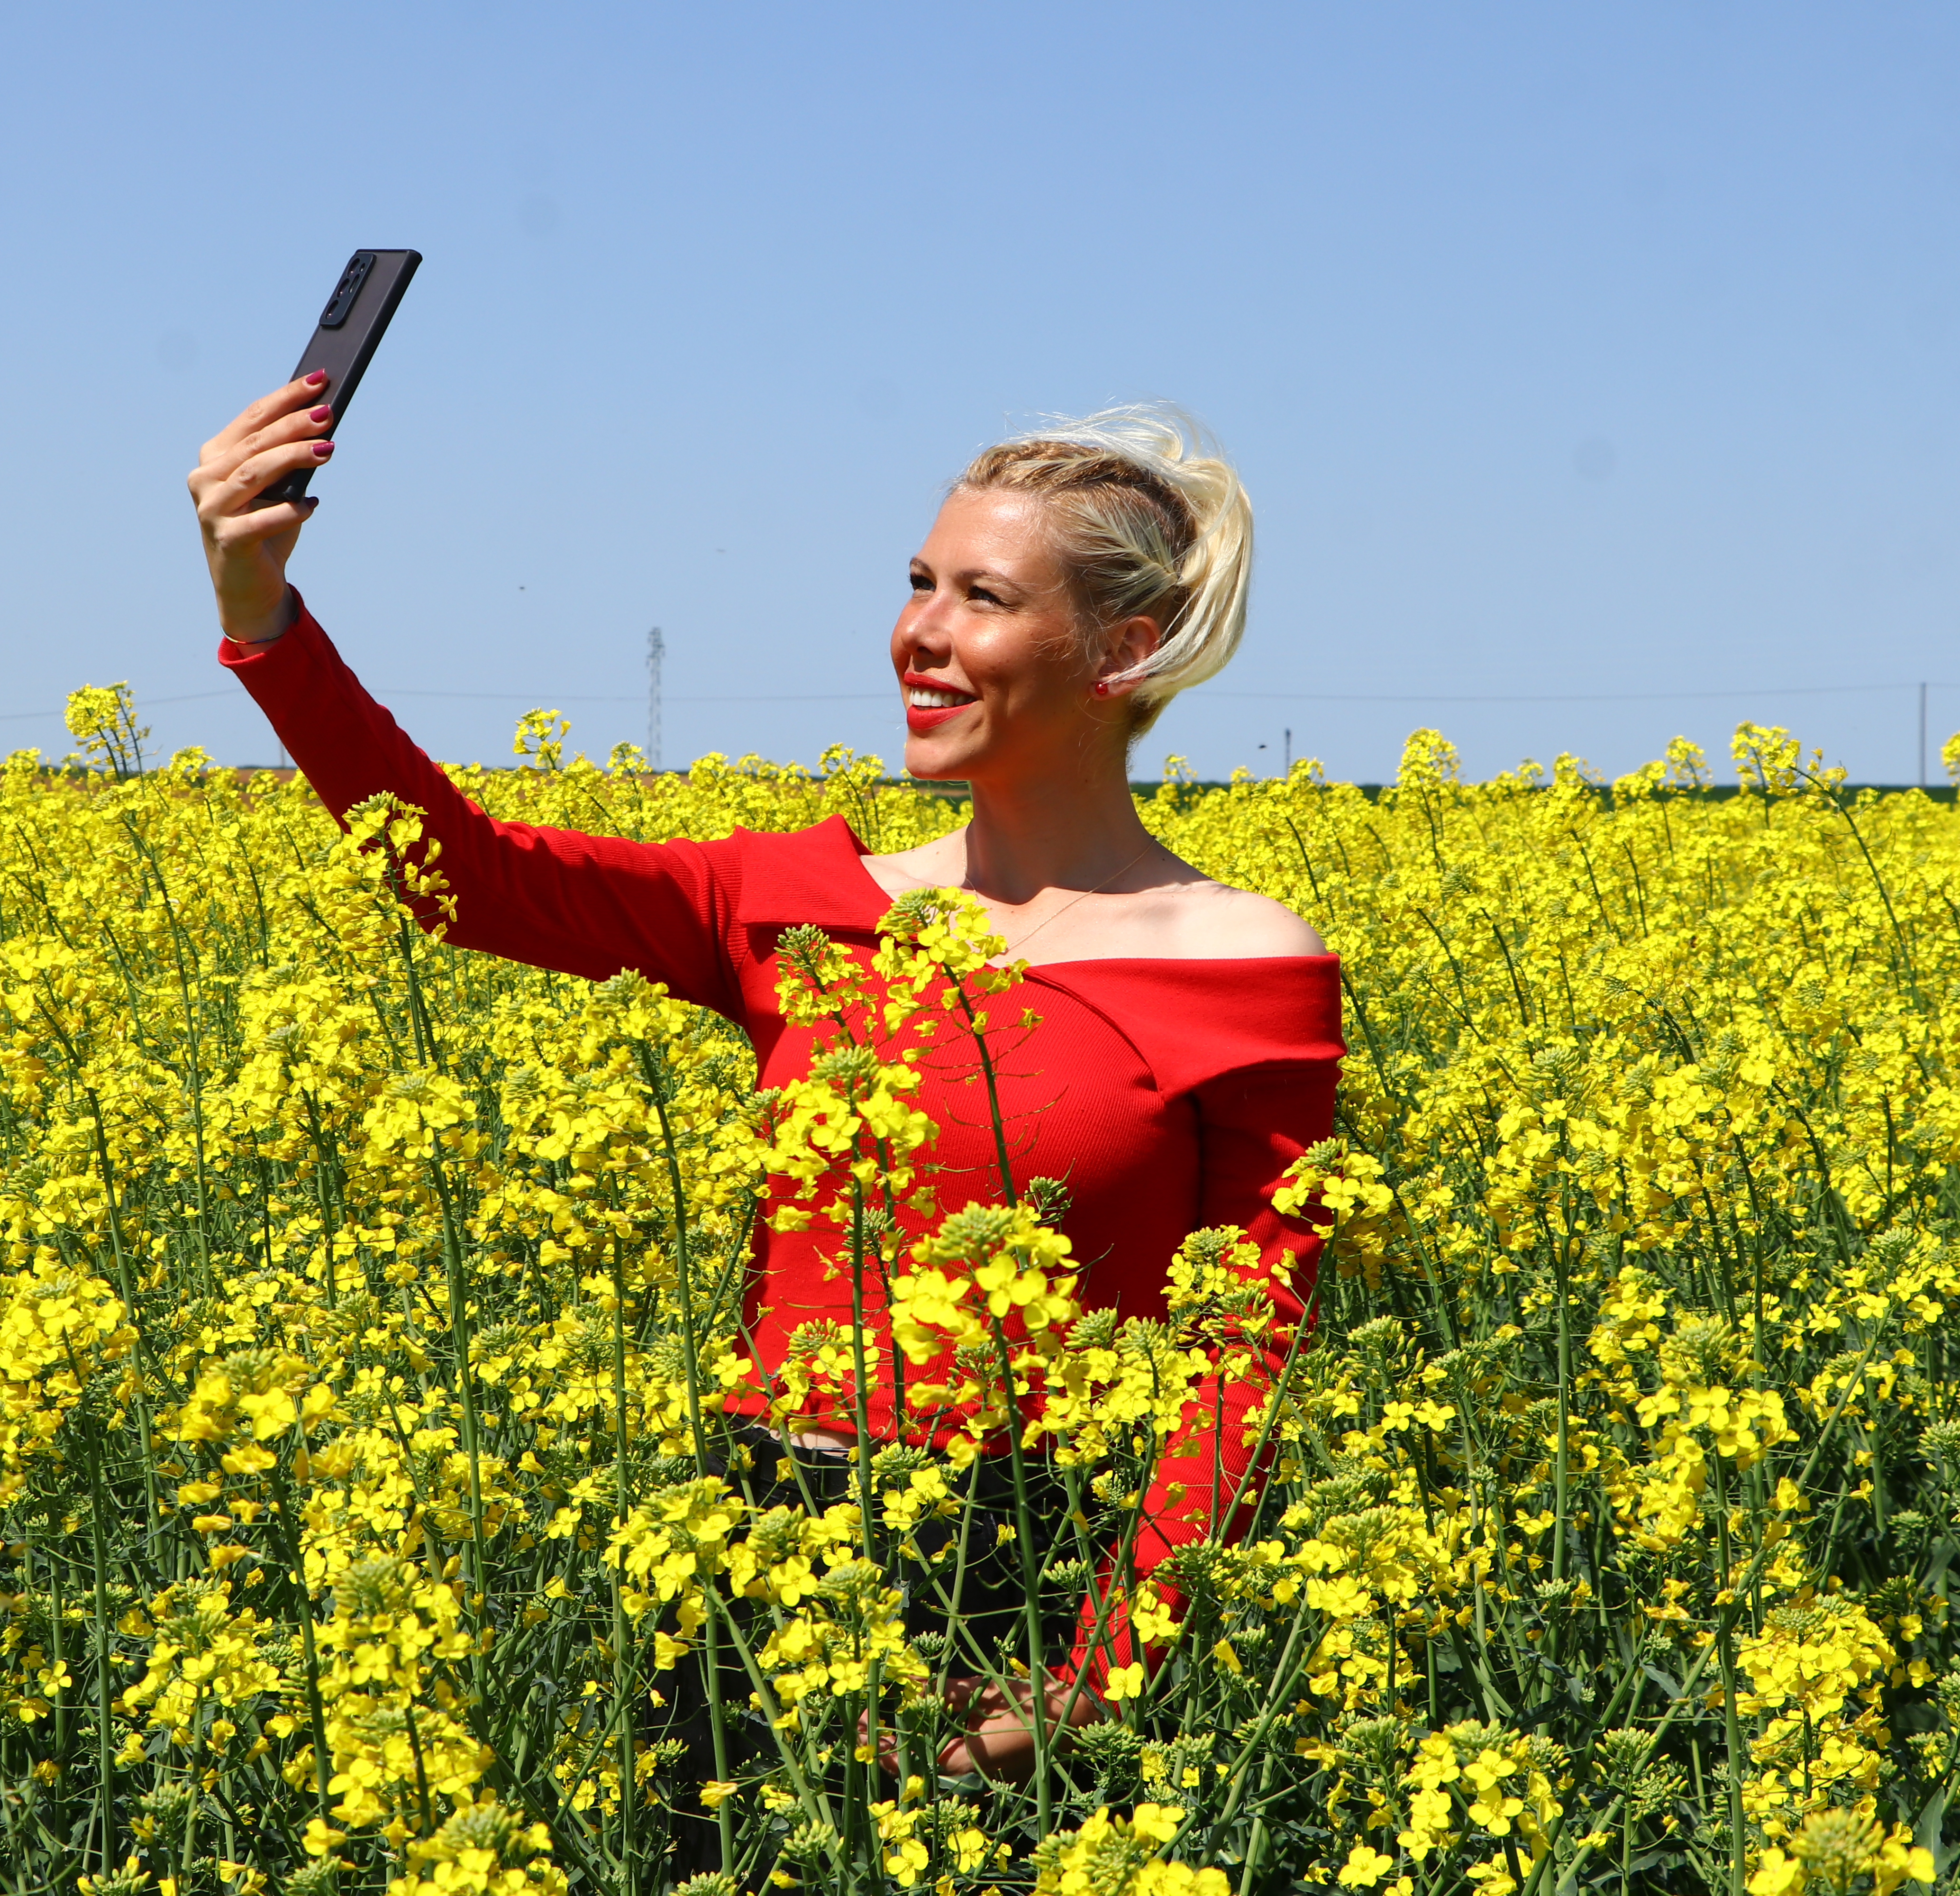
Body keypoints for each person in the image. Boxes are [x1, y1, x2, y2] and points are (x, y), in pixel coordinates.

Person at [188, 380, 1344, 1786]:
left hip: (1028, 1577)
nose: (919, 632)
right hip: (757, 1554)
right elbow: (466, 876)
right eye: (917, 583)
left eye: (981, 596)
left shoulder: (1243, 965)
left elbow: (1240, 1358)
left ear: (1123, 650)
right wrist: (264, 616)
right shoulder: (797, 902)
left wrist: (1092, 1680)